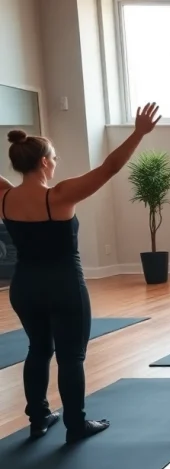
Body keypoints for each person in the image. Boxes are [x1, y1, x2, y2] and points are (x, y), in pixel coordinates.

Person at [1, 103, 161, 442]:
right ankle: (75, 425)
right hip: (64, 286)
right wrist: (138, 133)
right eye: (54, 157)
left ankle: (38, 419)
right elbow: (109, 168)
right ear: (44, 162)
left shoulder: (4, 197)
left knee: (38, 349)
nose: (56, 162)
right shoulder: (59, 196)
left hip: (25, 287)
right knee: (71, 357)